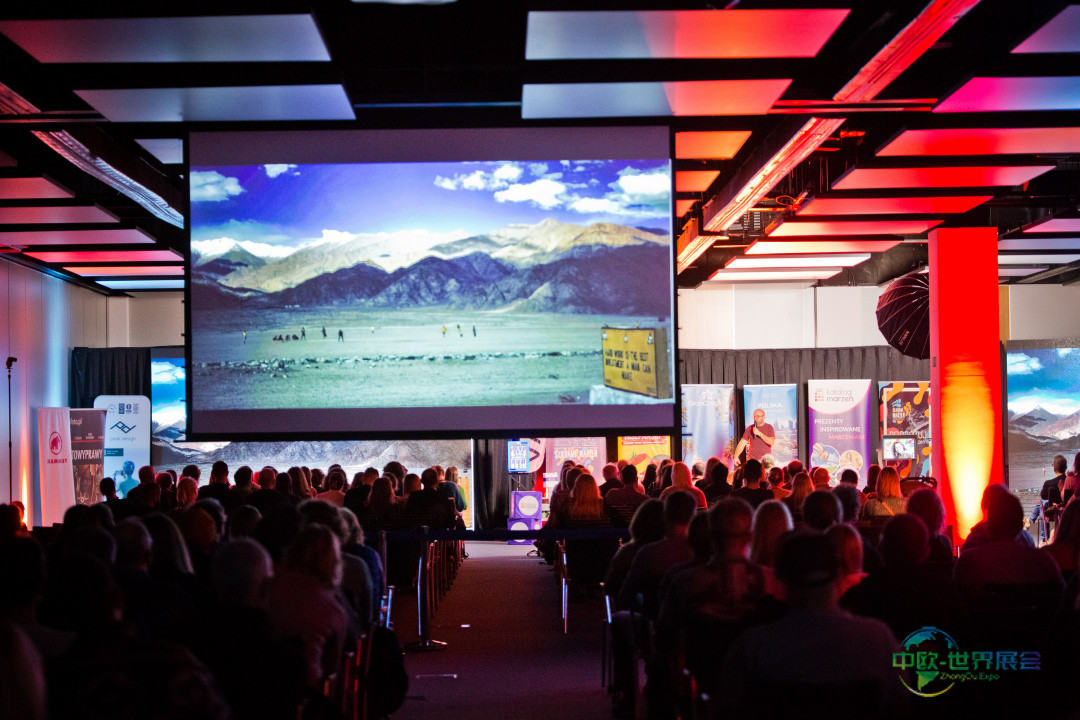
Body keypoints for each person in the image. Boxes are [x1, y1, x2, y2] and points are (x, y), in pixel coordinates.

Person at [719, 531, 908, 718]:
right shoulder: (879, 639)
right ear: (839, 574)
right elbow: (902, 703)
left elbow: (726, 709)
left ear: (780, 578)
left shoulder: (754, 648)